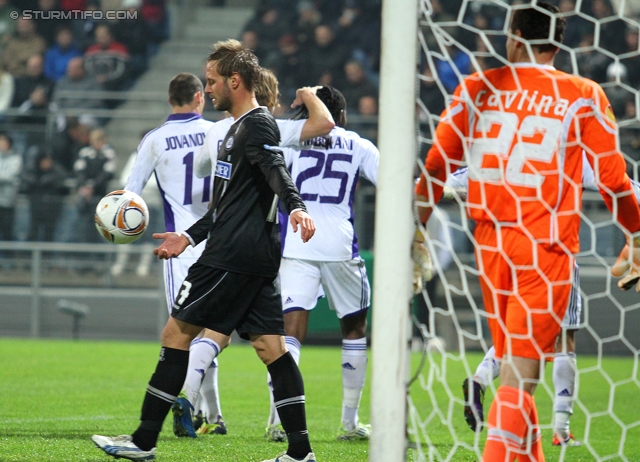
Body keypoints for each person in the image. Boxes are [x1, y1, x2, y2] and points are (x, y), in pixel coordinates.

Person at [414, 3, 640, 461]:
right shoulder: (583, 93)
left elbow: (436, 166)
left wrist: (417, 228)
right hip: (546, 252)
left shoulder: (477, 88)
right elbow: (615, 183)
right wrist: (636, 235)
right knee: (520, 373)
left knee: (518, 365)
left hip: (491, 248)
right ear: (559, 41)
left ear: (513, 36)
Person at [92, 40, 318, 462]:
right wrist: (188, 237)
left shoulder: (258, 125)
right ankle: (300, 453)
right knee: (272, 348)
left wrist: (298, 208)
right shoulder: (233, 130)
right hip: (249, 254)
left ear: (235, 81)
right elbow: (226, 205)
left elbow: (277, 173)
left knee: (175, 334)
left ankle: (143, 441)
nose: (207, 88)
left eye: (213, 81)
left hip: (233, 256)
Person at [443, 155, 640, 446]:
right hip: (553, 253)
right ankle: (561, 429)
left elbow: (448, 181)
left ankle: (481, 379)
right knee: (563, 338)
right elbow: (619, 181)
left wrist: (435, 190)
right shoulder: (568, 151)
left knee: (519, 334)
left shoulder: (501, 147)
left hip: (506, 253)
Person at [183, 67, 334, 438]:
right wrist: (310, 93)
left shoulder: (223, 129)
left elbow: (202, 169)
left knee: (210, 331)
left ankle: (183, 400)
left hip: (229, 243)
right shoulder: (274, 127)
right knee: (269, 345)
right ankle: (289, 436)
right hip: (257, 246)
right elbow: (325, 124)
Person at [263, 86, 378, 443]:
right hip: (341, 246)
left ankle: (278, 420)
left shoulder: (291, 140)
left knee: (291, 333)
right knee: (355, 329)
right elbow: (392, 181)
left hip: (298, 241)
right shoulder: (358, 144)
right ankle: (349, 422)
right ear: (341, 116)